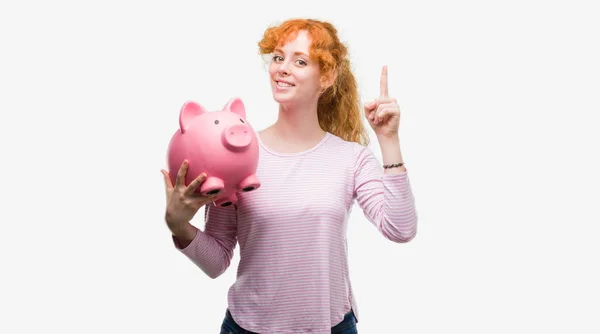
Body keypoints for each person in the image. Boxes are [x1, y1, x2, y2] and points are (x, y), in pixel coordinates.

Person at [161, 18, 418, 334]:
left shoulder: (351, 158)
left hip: (331, 327)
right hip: (247, 328)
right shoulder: (238, 156)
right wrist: (178, 225)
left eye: (300, 61)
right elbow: (216, 262)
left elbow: (400, 228)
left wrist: (388, 139)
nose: (282, 68)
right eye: (278, 57)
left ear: (326, 76)